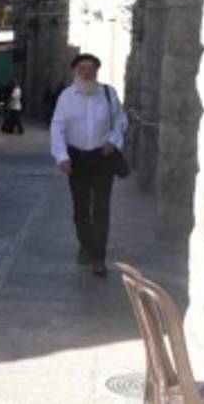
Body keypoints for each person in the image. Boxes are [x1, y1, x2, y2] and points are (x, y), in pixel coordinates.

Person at [49, 53, 127, 278]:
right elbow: (58, 127)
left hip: (102, 158)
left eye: (90, 69)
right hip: (77, 160)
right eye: (82, 68)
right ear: (75, 71)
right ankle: (85, 244)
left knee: (101, 208)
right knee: (81, 207)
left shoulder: (108, 93)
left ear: (96, 72)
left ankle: (98, 257)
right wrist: (61, 156)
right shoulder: (66, 97)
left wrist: (114, 141)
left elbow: (120, 120)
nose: (86, 72)